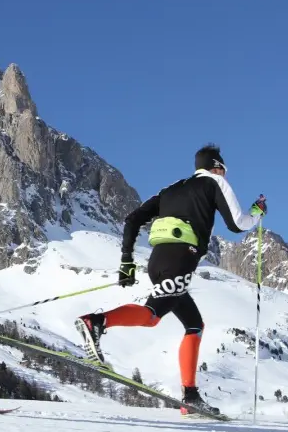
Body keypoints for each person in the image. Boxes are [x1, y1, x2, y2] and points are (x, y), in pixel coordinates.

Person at [74, 143, 266, 415]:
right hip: (181, 258)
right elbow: (238, 224)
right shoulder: (215, 183)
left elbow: (132, 220)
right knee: (152, 316)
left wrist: (127, 260)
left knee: (194, 325)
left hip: (158, 260)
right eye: (224, 171)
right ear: (217, 167)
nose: (225, 176)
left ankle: (190, 397)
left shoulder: (170, 189)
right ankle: (96, 322)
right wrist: (257, 212)